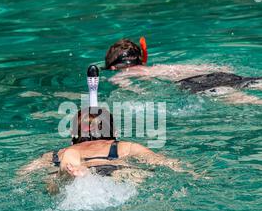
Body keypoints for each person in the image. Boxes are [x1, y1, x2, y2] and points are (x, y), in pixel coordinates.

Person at [19, 107, 200, 192]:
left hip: (70, 166)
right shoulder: (123, 147)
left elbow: (22, 175)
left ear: (72, 135)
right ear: (114, 132)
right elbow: (165, 162)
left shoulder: (54, 154)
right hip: (112, 171)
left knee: (56, 181)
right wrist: (196, 174)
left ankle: (70, 170)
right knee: (133, 176)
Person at [105, 38, 262, 104]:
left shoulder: (120, 76)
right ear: (141, 59)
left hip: (194, 85)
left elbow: (137, 91)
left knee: (251, 101)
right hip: (218, 75)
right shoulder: (161, 68)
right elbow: (206, 68)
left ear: (113, 67)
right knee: (251, 85)